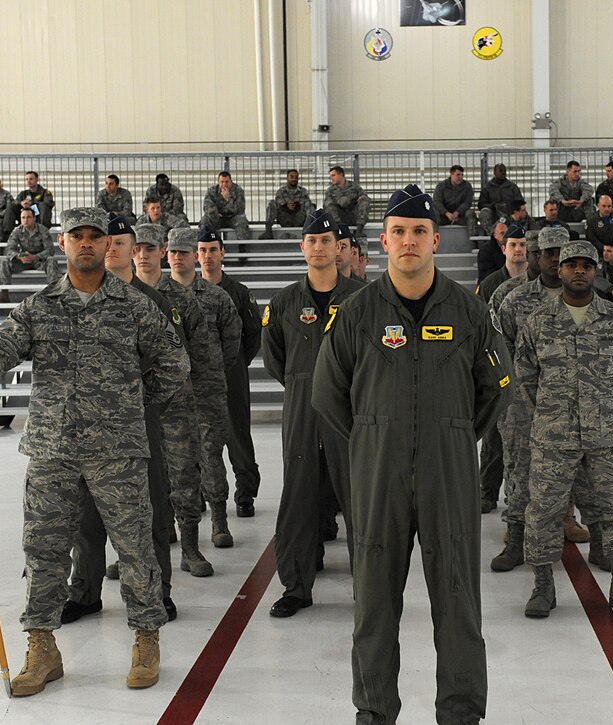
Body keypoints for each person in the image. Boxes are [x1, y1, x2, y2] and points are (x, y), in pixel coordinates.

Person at [0, 208, 189, 695]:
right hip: (53, 451)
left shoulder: (134, 306)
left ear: (109, 245)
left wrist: (132, 405)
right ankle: (42, 646)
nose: (86, 244)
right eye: (76, 237)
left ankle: (146, 639)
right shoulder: (38, 307)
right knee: (44, 550)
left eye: (95, 237)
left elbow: (174, 361)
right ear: (62, 243)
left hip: (118, 452)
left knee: (135, 548)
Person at [312, 184, 510, 725]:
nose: (409, 241)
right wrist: (378, 437)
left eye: (419, 232)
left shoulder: (470, 312)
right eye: (398, 232)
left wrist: (452, 432)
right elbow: (327, 396)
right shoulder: (356, 315)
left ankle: (462, 713)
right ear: (382, 242)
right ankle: (374, 712)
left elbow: (498, 388)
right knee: (373, 606)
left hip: (449, 475)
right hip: (378, 475)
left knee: (459, 605)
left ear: (436, 240)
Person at [515, 239, 613, 619]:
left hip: (608, 434)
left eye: (585, 265)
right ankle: (543, 586)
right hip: (554, 434)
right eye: (570, 264)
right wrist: (551, 411)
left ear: (595, 271)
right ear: (559, 269)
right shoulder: (539, 322)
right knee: (542, 510)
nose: (578, 271)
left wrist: (604, 405)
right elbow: (525, 375)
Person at [64, 220, 186, 626]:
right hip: (85, 424)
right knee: (86, 514)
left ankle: (158, 592)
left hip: (137, 422)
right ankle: (84, 590)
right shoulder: (77, 298)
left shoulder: (149, 302)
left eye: (120, 243)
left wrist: (137, 402)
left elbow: (173, 363)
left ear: (135, 249)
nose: (111, 249)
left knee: (147, 509)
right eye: (107, 242)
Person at [261, 208, 362, 618]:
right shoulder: (285, 300)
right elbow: (274, 359)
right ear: (302, 247)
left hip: (350, 413)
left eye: (327, 241)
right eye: (312, 241)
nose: (319, 247)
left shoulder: (360, 298)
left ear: (339, 247)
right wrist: (306, 386)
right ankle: (296, 587)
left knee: (359, 500)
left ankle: (369, 588)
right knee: (298, 500)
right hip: (301, 414)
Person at [490, 228, 589, 574]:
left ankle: (565, 518)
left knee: (573, 464)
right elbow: (496, 351)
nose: (553, 259)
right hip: (522, 403)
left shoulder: (582, 296)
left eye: (560, 253)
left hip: (570, 400)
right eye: (547, 253)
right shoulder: (513, 298)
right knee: (520, 466)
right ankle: (516, 532)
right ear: (536, 256)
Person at [132, 222, 220, 579]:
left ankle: (190, 547)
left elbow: (202, 355)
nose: (142, 255)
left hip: (177, 404)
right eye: (136, 248)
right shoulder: (120, 296)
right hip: (133, 406)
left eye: (149, 249)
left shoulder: (181, 298)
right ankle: (136, 552)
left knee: (183, 475)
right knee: (135, 482)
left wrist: (207, 405)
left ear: (161, 252)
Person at [166, 227, 243, 546]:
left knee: (211, 455)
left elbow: (233, 338)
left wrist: (212, 369)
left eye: (184, 252)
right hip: (170, 392)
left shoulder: (216, 296)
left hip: (208, 388)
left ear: (194, 257)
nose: (178, 257)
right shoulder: (158, 296)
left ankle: (220, 520)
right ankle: (172, 523)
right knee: (172, 459)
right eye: (173, 252)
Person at [198, 229, 264, 517]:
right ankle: (202, 493)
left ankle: (245, 494)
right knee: (200, 438)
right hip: (200, 378)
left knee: (238, 436)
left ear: (222, 253)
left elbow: (253, 334)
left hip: (233, 375)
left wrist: (236, 363)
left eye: (213, 249)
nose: (208, 256)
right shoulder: (188, 292)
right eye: (203, 250)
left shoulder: (239, 292)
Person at [476, 223, 528, 514]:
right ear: (503, 249)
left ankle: (521, 496)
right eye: (513, 245)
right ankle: (487, 491)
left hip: (530, 372)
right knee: (495, 437)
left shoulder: (539, 284)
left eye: (522, 245)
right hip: (499, 370)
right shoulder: (490, 284)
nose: (518, 250)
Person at [0, 208, 59, 302]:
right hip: (23, 261)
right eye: (23, 217)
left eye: (28, 217)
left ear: (34, 218)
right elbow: (9, 249)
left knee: (51, 261)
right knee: (4, 261)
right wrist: (19, 256)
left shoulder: (43, 230)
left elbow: (50, 250)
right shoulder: (17, 231)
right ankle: (4, 294)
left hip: (39, 261)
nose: (25, 220)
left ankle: (53, 294)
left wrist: (36, 257)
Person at [324, 165, 370, 241]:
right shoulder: (330, 190)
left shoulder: (354, 186)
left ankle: (359, 231)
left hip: (354, 215)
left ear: (341, 174)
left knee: (364, 202)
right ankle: (339, 230)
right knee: (329, 204)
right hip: (340, 217)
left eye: (333, 175)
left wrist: (359, 199)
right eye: (330, 176)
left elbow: (364, 196)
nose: (331, 178)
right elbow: (327, 204)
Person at [476, 163, 525, 235]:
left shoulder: (512, 187)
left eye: (504, 171)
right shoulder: (487, 188)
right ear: (494, 172)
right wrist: (493, 206)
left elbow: (520, 202)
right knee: (484, 212)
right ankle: (493, 234)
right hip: (494, 214)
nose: (503, 173)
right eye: (500, 171)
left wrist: (511, 207)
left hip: (509, 214)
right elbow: (481, 204)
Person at [263, 169, 312, 238]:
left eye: (296, 177)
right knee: (272, 203)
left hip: (298, 218)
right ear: (287, 178)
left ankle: (312, 230)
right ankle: (268, 231)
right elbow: (278, 203)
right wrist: (286, 206)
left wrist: (296, 205)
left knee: (309, 204)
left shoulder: (303, 191)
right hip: (285, 218)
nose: (294, 179)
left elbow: (305, 202)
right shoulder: (281, 191)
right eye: (291, 177)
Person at [203, 171, 251, 240]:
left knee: (242, 220)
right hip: (218, 217)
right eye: (222, 182)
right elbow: (207, 207)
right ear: (218, 182)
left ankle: (242, 246)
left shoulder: (238, 190)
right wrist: (216, 214)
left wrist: (228, 199)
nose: (224, 184)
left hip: (233, 218)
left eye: (227, 182)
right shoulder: (212, 191)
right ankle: (208, 243)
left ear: (231, 182)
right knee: (205, 220)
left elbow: (240, 209)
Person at [432, 164, 475, 229]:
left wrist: (458, 212)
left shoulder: (467, 186)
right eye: (458, 175)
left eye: (462, 175)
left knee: (471, 214)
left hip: (461, 216)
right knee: (434, 214)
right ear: (451, 174)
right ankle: (433, 236)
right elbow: (437, 201)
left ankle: (473, 237)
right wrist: (446, 213)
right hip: (444, 216)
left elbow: (467, 202)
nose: (460, 177)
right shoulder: (441, 186)